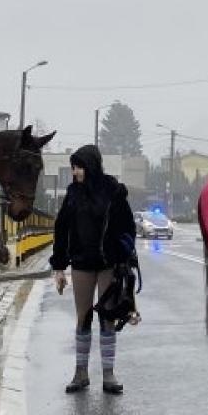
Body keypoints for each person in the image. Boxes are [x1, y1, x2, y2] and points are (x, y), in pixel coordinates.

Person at [50, 145, 136, 395]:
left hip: (109, 264)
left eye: (78, 167)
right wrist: (59, 266)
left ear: (90, 166)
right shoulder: (73, 194)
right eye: (73, 167)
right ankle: (81, 372)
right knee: (83, 317)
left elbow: (128, 227)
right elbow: (61, 228)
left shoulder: (114, 191)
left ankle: (108, 373)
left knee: (108, 317)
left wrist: (123, 251)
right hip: (81, 264)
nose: (75, 172)